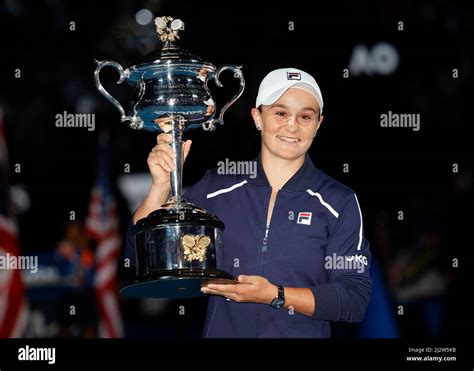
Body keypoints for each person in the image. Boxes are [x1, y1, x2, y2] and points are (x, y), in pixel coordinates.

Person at [126, 68, 372, 338]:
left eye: (305, 116)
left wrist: (275, 295)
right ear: (258, 117)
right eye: (280, 113)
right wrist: (161, 186)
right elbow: (144, 255)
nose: (292, 125)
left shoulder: (339, 201)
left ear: (318, 124)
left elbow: (354, 299)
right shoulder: (218, 187)